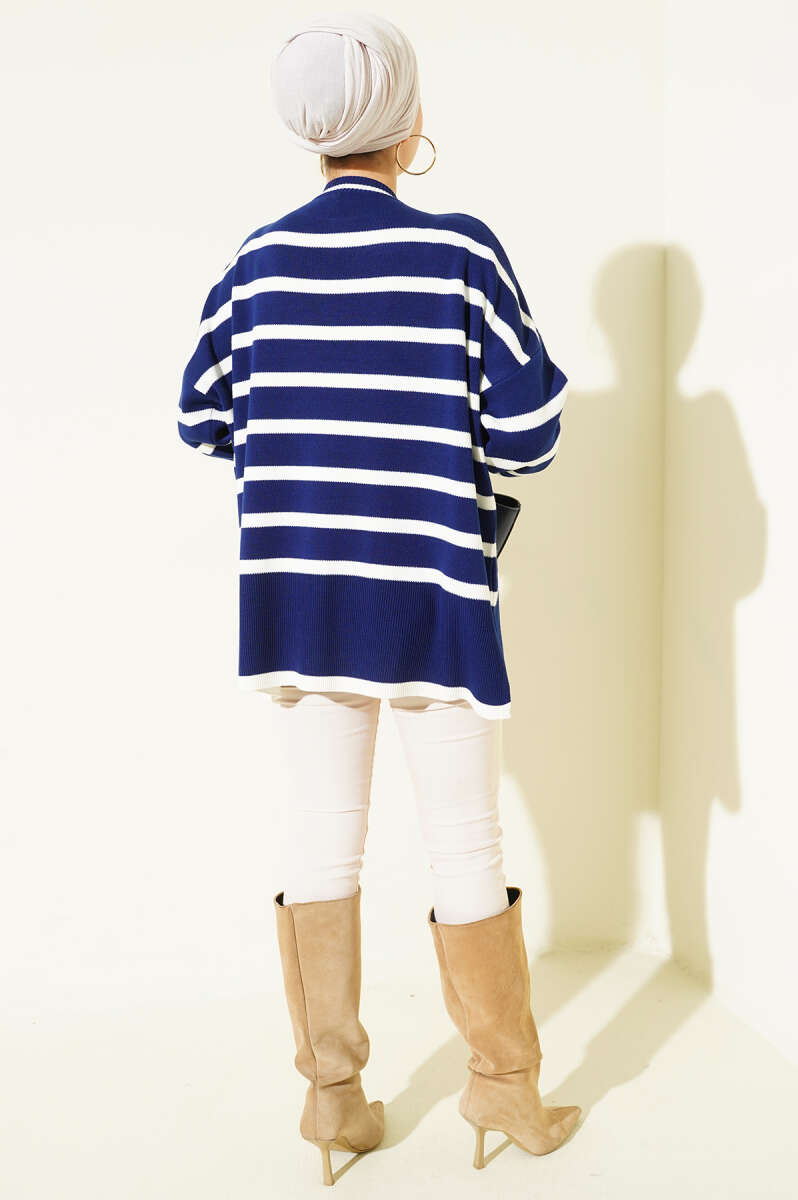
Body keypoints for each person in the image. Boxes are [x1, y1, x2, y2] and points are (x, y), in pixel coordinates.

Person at [177, 10, 579, 1185]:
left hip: (300, 604)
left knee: (320, 837)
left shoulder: (253, 262)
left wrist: (302, 443)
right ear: (407, 125)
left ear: (309, 132)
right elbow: (530, 431)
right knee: (465, 839)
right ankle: (504, 1092)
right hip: (432, 598)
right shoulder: (459, 253)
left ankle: (333, 1104)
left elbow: (201, 416)